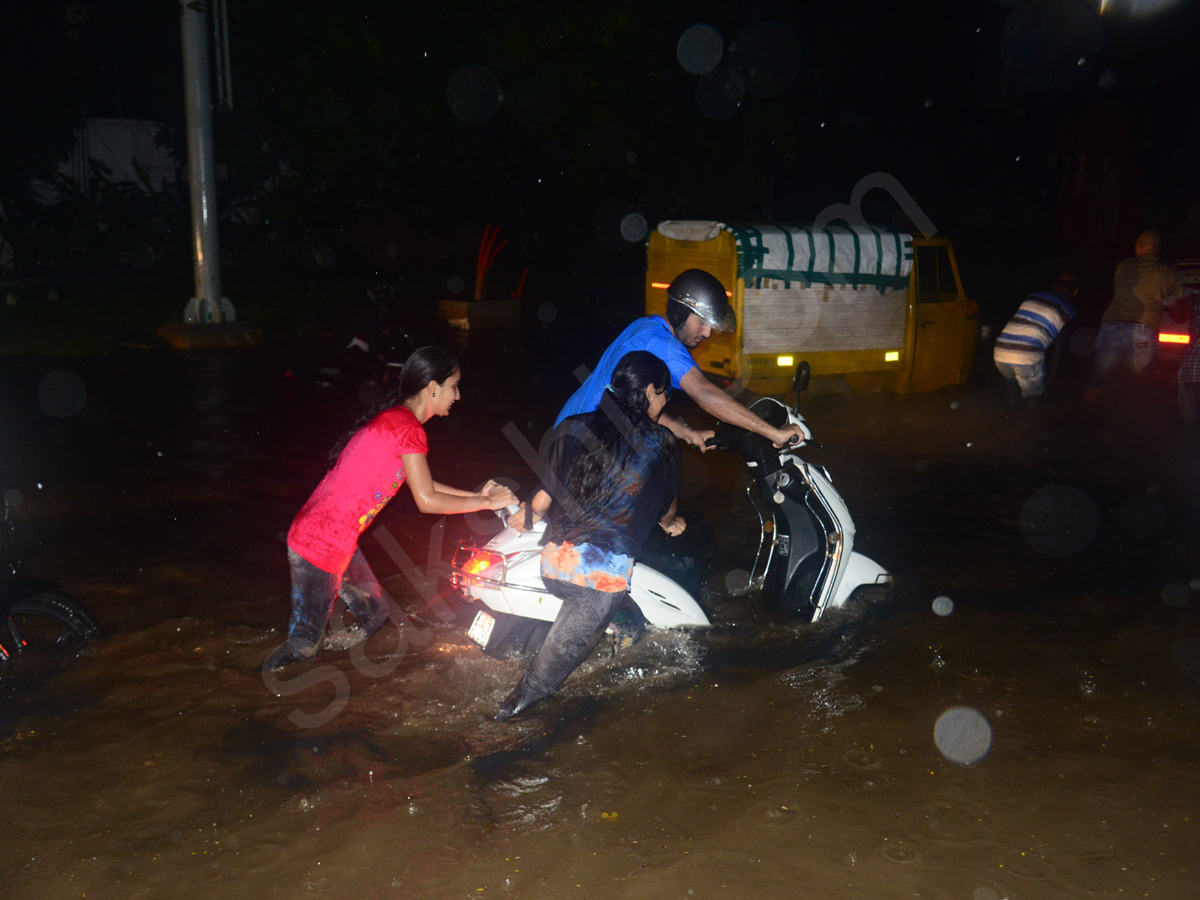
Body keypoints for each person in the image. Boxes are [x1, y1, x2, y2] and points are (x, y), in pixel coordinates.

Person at [270, 346, 517, 667]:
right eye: (454, 386)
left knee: (374, 616)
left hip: (335, 540)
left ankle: (341, 661)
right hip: (318, 545)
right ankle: (250, 687)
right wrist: (482, 502)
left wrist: (478, 498)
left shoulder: (399, 421)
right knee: (303, 648)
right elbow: (426, 501)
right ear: (433, 388)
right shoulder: (407, 429)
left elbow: (422, 484)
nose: (457, 395)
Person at [495, 351, 684, 721]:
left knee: (630, 620)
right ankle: (486, 741)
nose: (665, 404)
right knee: (535, 691)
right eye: (665, 394)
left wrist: (525, 513)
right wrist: (671, 523)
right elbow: (667, 510)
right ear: (649, 391)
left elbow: (544, 500)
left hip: (552, 565)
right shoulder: (662, 442)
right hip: (598, 580)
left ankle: (615, 652)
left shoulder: (574, 426)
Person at [555, 268, 805, 449]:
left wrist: (688, 433)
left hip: (568, 435)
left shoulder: (644, 326)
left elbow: (636, 404)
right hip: (586, 448)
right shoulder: (663, 345)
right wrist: (773, 433)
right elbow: (705, 393)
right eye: (702, 323)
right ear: (681, 311)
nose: (707, 333)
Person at [1086, 230, 1182, 397]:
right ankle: (1130, 417)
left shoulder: (1123, 265)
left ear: (1139, 246)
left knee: (1099, 378)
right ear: (1158, 248)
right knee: (1138, 382)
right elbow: (1174, 306)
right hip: (1144, 327)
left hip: (1111, 324)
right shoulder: (1170, 271)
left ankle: (1085, 415)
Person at [993, 273, 1079, 408]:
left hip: (1000, 350)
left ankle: (1006, 419)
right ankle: (1026, 425)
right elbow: (1059, 350)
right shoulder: (1069, 310)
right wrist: (1050, 380)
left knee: (1012, 388)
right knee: (1033, 398)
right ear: (1075, 291)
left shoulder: (1032, 296)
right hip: (1026, 355)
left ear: (1054, 286)